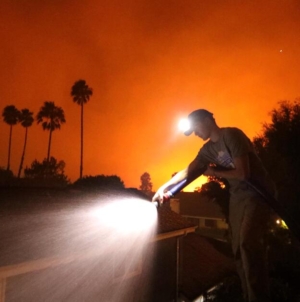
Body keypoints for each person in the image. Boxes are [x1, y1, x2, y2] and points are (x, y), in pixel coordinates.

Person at [152, 109, 276, 302]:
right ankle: (249, 296)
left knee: (247, 243)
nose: (195, 134)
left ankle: (259, 298)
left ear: (207, 120)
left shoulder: (232, 136)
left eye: (195, 129)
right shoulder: (207, 150)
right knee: (237, 249)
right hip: (238, 197)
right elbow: (189, 170)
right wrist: (163, 188)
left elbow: (244, 174)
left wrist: (215, 172)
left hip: (258, 194)